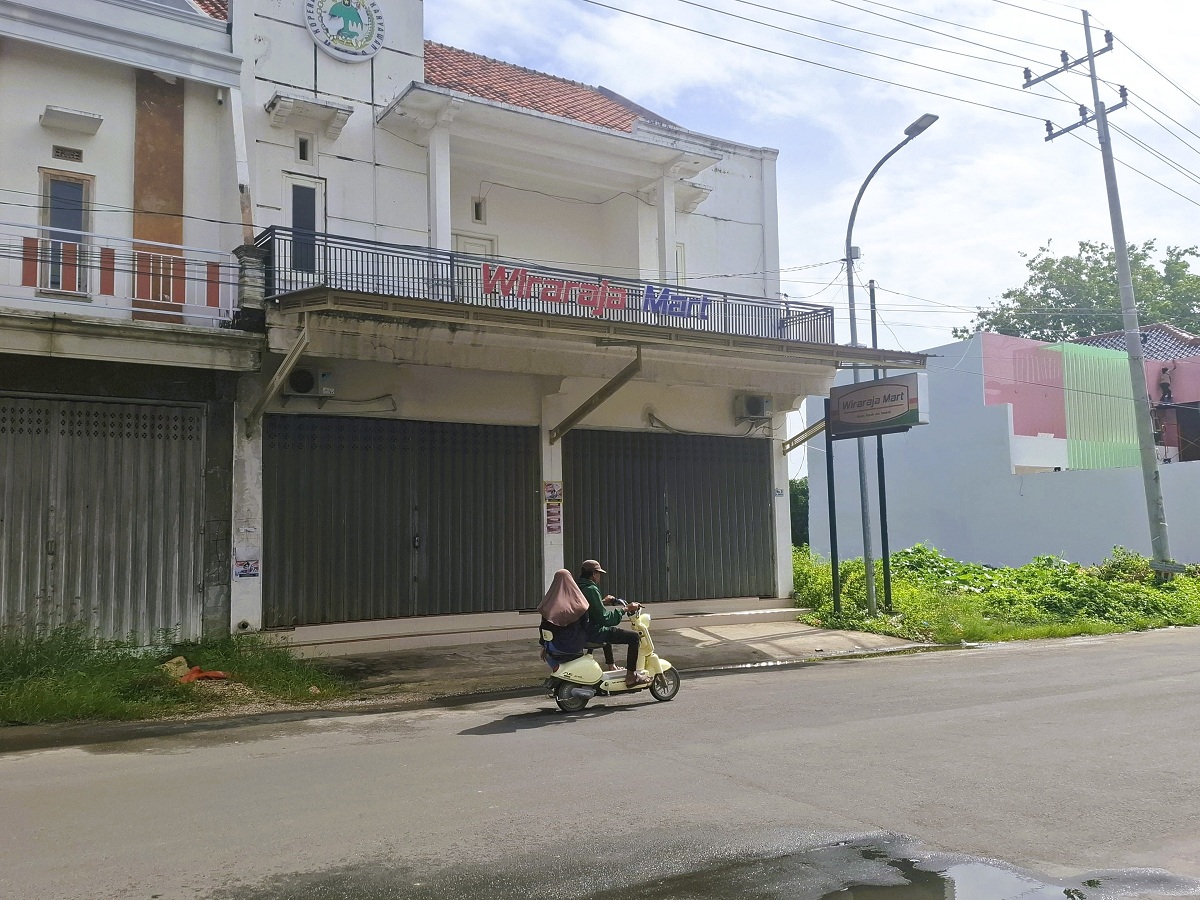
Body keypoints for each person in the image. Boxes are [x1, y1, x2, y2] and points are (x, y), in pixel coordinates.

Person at [577, 559, 649, 688]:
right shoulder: (591, 589)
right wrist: (625, 609)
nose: (599, 577)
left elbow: (588, 607)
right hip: (592, 632)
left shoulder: (578, 586)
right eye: (598, 574)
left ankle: (611, 666)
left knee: (608, 630)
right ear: (593, 574)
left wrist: (602, 602)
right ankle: (631, 677)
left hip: (582, 629)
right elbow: (604, 618)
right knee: (634, 637)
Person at [537, 569, 590, 664]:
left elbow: (544, 628)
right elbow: (585, 625)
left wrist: (543, 646)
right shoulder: (580, 603)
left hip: (556, 648)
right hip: (577, 646)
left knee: (551, 659)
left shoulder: (549, 604)